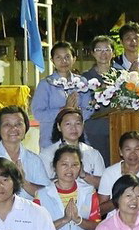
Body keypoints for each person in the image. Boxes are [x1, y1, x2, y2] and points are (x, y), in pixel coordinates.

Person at [0, 105, 48, 199]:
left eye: (19, 124)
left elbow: (48, 195)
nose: (14, 128)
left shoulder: (34, 160)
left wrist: (23, 182)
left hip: (27, 212)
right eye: (7, 124)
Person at [31, 41, 93, 149]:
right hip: (51, 140)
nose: (63, 61)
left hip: (77, 138)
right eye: (58, 57)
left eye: (67, 57)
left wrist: (77, 112)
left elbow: (89, 109)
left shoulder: (81, 82)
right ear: (52, 60)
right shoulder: (46, 84)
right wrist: (63, 110)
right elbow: (38, 113)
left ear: (74, 59)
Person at [38, 107, 106, 189]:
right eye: (68, 124)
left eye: (77, 124)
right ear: (59, 127)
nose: (73, 128)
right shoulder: (47, 154)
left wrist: (84, 175)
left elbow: (104, 186)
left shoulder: (93, 153)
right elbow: (42, 186)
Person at [98, 132, 139, 217]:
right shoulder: (109, 173)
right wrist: (120, 195)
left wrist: (137, 197)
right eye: (128, 149)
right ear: (121, 151)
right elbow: (100, 210)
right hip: (114, 224)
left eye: (137, 149)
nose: (133, 153)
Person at [83, 35, 114, 163]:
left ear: (113, 52)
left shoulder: (122, 76)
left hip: (117, 129)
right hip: (94, 131)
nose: (103, 53)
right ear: (92, 53)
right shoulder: (84, 78)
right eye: (99, 50)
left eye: (107, 49)